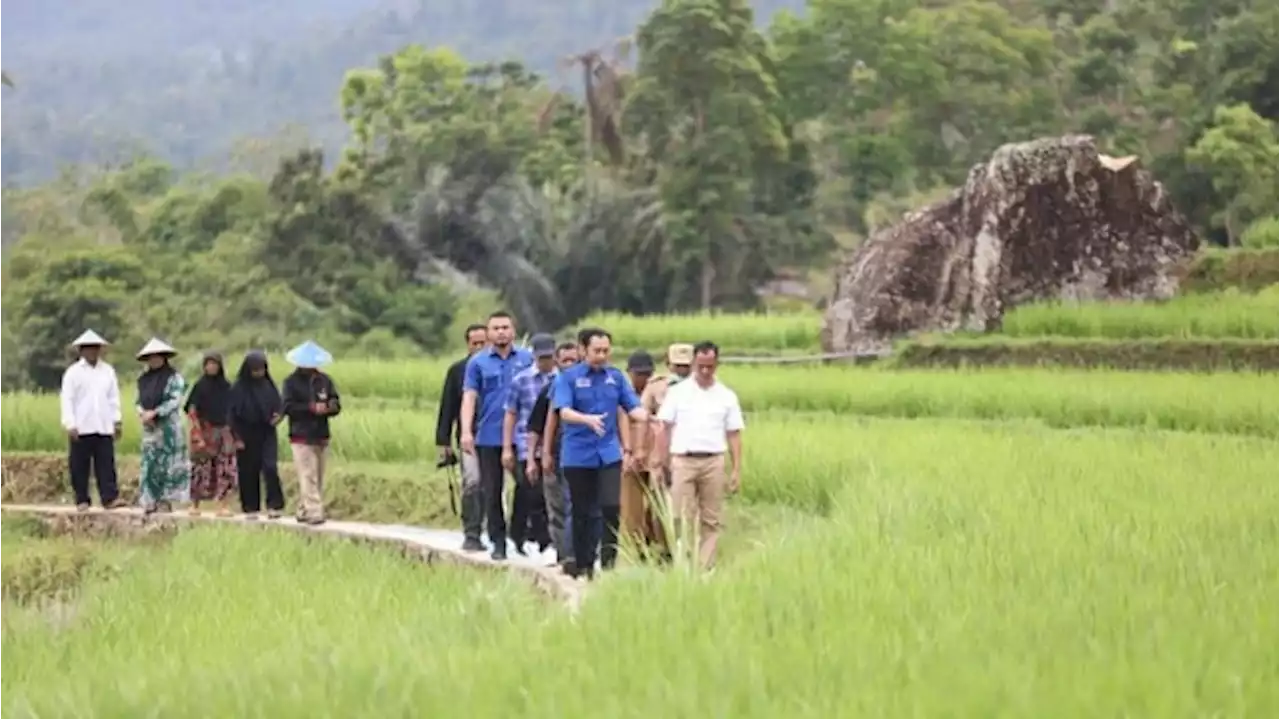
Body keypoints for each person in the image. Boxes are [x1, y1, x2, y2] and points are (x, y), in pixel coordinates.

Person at [551, 328, 648, 579]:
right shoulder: (567, 378)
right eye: (597, 351)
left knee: (610, 506)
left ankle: (608, 561)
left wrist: (657, 419)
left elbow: (634, 408)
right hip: (578, 455)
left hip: (608, 454)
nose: (602, 355)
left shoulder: (615, 378)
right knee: (583, 510)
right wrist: (586, 419)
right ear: (583, 350)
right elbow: (564, 412)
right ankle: (583, 563)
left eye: (606, 350)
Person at [655, 341, 744, 570]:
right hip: (683, 460)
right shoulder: (677, 393)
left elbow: (734, 434)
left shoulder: (726, 396)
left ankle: (705, 566)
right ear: (694, 363)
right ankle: (684, 561)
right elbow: (663, 428)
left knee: (711, 518)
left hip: (713, 461)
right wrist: (662, 462)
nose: (705, 371)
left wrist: (735, 469)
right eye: (701, 366)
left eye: (710, 366)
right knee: (680, 515)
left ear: (717, 365)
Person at [460, 311, 533, 561]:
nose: (501, 332)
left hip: (521, 435)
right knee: (492, 491)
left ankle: (518, 529)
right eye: (496, 328)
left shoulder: (527, 359)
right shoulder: (478, 363)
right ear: (488, 333)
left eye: (505, 327)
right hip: (488, 435)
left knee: (528, 485)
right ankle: (497, 540)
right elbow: (469, 397)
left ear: (513, 331)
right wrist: (467, 431)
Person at [629, 343, 694, 558]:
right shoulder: (657, 388)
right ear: (668, 364)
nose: (682, 370)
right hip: (662, 453)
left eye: (686, 366)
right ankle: (664, 548)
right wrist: (639, 450)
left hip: (693, 453)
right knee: (660, 505)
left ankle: (688, 548)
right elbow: (642, 419)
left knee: (689, 505)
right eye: (678, 366)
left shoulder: (704, 388)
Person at [502, 333, 558, 555]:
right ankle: (517, 535)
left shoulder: (561, 380)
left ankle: (545, 539)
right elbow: (511, 414)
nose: (546, 362)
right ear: (534, 356)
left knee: (548, 495)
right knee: (528, 492)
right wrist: (507, 447)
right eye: (541, 357)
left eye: (549, 357)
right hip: (525, 444)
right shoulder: (521, 380)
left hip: (552, 445)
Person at [434, 323, 488, 551]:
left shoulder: (499, 368)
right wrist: (443, 441)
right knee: (472, 482)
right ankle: (472, 532)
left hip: (496, 436)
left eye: (482, 343)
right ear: (468, 345)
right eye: (474, 343)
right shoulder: (458, 370)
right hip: (469, 437)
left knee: (492, 486)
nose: (479, 347)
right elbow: (448, 407)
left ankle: (492, 529)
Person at [528, 341, 580, 574]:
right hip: (555, 456)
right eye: (565, 360)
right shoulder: (549, 390)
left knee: (577, 506)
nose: (569, 364)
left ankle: (578, 554)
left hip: (581, 457)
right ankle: (564, 554)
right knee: (557, 507)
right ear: (557, 362)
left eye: (574, 360)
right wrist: (536, 457)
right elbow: (535, 428)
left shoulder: (588, 388)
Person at [60, 330, 126, 512]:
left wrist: (117, 420)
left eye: (95, 349)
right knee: (79, 465)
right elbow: (68, 400)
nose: (92, 352)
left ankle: (109, 498)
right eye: (88, 349)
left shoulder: (108, 371)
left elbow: (113, 398)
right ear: (81, 351)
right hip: (81, 425)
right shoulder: (73, 373)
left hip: (103, 425)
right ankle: (82, 499)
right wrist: (70, 423)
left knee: (106, 463)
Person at [282, 340, 342, 526]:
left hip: (321, 434)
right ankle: (315, 511)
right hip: (301, 435)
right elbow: (288, 407)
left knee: (318, 475)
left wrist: (328, 408)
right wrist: (310, 408)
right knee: (308, 474)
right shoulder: (290, 383)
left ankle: (303, 509)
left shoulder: (325, 381)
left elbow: (336, 404)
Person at [135, 338, 190, 514]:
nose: (154, 360)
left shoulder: (175, 378)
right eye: (150, 358)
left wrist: (156, 412)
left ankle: (166, 501)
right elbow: (138, 401)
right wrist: (143, 413)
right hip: (150, 429)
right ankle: (149, 500)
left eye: (157, 357)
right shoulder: (143, 380)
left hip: (169, 428)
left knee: (170, 465)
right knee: (150, 464)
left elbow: (176, 400)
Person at [229, 350, 285, 520]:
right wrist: (236, 437)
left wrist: (278, 416)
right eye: (255, 370)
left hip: (267, 432)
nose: (258, 373)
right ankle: (251, 507)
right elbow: (231, 415)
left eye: (261, 369)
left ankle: (274, 505)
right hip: (245, 434)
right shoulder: (238, 388)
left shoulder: (269, 385)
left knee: (270, 467)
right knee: (248, 471)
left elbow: (279, 405)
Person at [184, 352, 238, 517]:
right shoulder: (200, 386)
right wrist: (197, 429)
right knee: (200, 469)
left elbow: (233, 410)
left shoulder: (227, 387)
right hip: (204, 431)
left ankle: (223, 505)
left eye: (214, 364)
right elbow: (191, 407)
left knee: (225, 469)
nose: (211, 367)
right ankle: (195, 505)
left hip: (223, 432)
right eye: (208, 364)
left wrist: (232, 432)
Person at [619, 349, 658, 555]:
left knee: (657, 503)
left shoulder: (661, 391)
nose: (642, 378)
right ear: (629, 373)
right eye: (638, 374)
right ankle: (637, 548)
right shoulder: (620, 393)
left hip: (655, 456)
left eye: (646, 374)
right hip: (629, 455)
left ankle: (656, 540)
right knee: (631, 506)